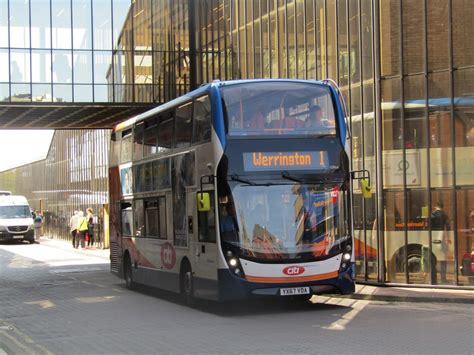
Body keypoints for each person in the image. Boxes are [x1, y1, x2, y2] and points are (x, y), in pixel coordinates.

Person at [430, 202, 451, 283]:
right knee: (443, 259)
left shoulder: (431, 215)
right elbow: (448, 228)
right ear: (443, 207)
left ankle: (433, 278)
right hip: (441, 238)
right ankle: (443, 278)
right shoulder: (445, 215)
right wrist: (448, 238)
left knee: (432, 258)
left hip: (432, 238)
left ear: (435, 206)